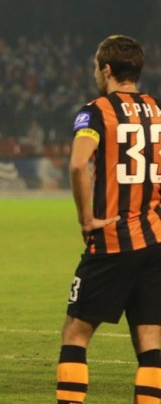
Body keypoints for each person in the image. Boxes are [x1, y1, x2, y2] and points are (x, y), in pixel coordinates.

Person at [56, 35, 161, 404]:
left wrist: (86, 219)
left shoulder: (96, 111)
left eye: (96, 69)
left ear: (107, 69)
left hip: (114, 239)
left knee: (76, 333)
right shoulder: (156, 110)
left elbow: (77, 164)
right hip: (155, 241)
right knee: (150, 340)